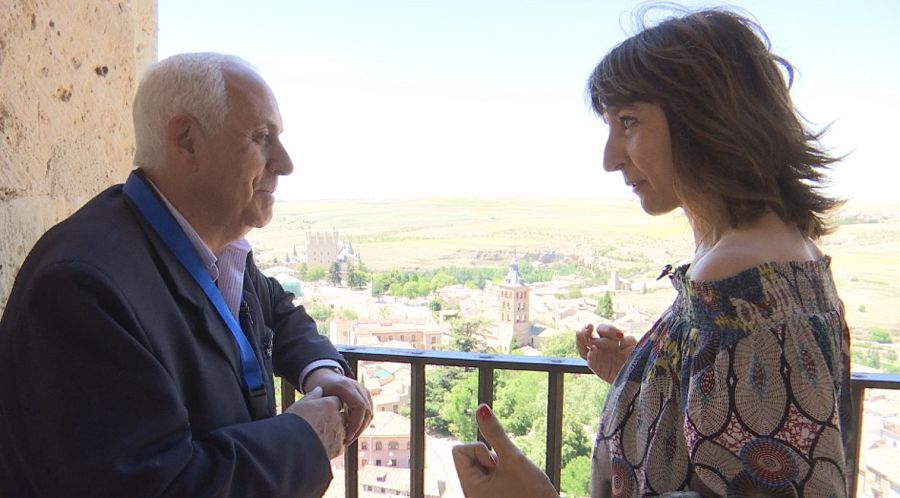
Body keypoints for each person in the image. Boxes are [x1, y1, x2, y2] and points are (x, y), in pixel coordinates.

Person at [453, 7, 851, 498]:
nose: (609, 158)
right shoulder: (773, 259)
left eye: (628, 121)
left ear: (705, 116)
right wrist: (646, 379)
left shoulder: (740, 278)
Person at [0, 53, 373, 497]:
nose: (285, 162)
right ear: (187, 140)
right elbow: (158, 486)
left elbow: (275, 309)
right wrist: (303, 438)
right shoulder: (81, 287)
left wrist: (322, 371)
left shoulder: (213, 248)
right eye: (262, 137)